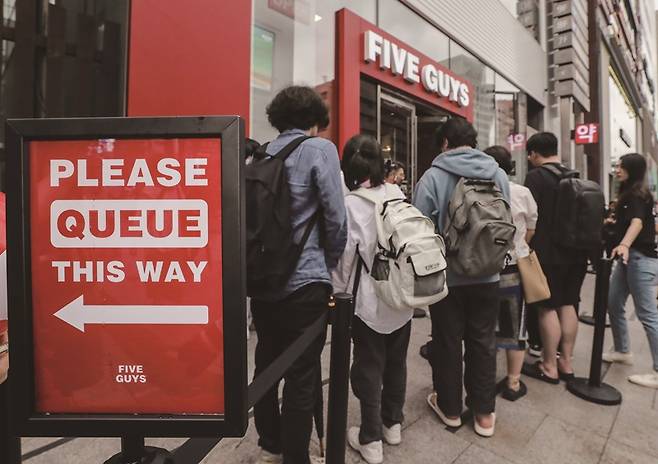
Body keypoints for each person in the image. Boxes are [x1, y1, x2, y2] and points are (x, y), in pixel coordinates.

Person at [250, 86, 347, 464]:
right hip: (306, 281)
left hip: (263, 281)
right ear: (313, 119)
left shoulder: (262, 153)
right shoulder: (320, 149)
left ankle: (270, 441)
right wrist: (330, 264)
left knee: (267, 363)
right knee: (302, 375)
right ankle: (295, 457)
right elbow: (336, 219)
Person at [414, 118, 510, 437]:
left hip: (448, 279)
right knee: (484, 341)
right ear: (474, 141)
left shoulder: (433, 176)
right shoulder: (497, 173)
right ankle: (484, 415)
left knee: (447, 341)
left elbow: (420, 230)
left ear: (444, 143)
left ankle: (451, 408)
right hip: (489, 274)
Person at [333, 135, 413, 464]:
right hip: (404, 296)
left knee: (368, 367)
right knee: (396, 363)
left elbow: (345, 261)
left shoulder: (352, 203)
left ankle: (370, 439)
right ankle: (392, 424)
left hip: (370, 300)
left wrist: (339, 294)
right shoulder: (397, 194)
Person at [522, 132, 587, 384]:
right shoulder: (574, 176)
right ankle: (566, 362)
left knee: (546, 307)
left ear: (535, 153)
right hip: (576, 254)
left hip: (549, 254)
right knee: (569, 304)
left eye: (530, 154)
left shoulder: (536, 177)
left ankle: (549, 365)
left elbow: (529, 218)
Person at [484, 146, 537, 400]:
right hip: (514, 266)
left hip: (482, 268)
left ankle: (482, 378)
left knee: (484, 325)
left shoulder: (477, 191)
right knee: (514, 327)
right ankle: (513, 383)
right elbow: (530, 230)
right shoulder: (522, 192)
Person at [603, 153, 658, 389]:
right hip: (630, 259)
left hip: (639, 258)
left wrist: (624, 244)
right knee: (614, 302)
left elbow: (637, 222)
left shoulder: (636, 195)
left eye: (621, 167)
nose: (617, 170)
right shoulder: (630, 193)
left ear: (632, 169)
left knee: (647, 315)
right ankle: (623, 350)